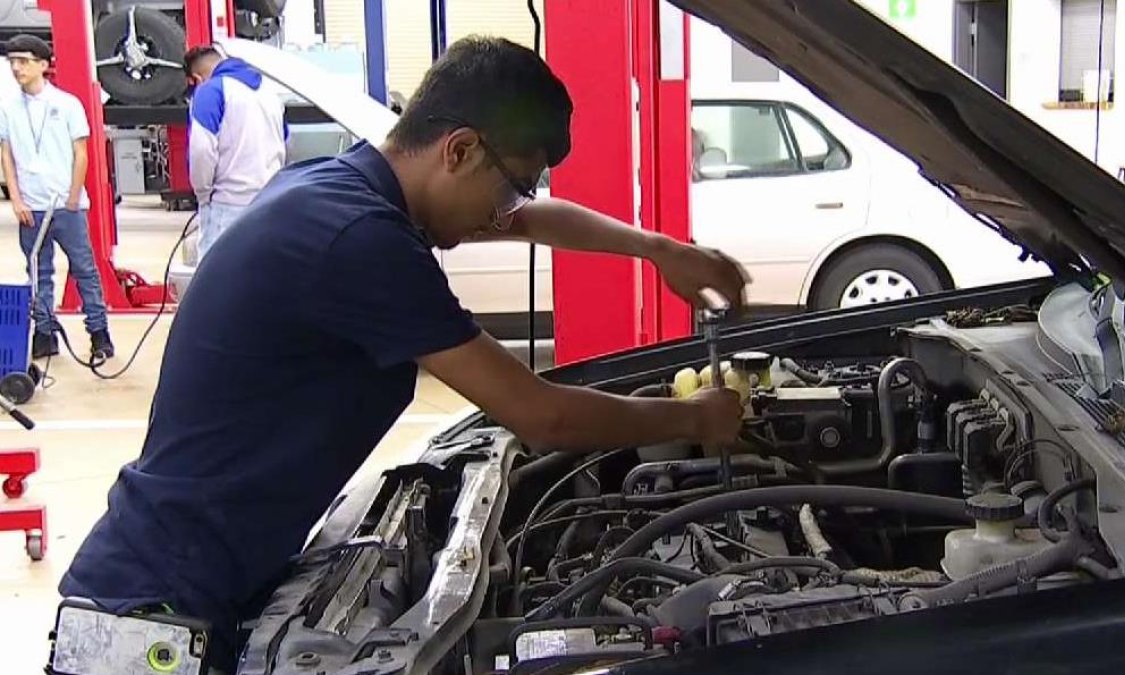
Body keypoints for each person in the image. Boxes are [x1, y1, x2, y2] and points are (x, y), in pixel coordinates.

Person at [59, 36, 748, 673]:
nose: (510, 208)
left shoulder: (339, 190)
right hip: (155, 617)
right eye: (512, 183)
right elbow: (543, 418)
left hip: (193, 582)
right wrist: (693, 419)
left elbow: (532, 220)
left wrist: (662, 250)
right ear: (458, 149)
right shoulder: (360, 241)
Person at [0, 34, 113, 360]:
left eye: (23, 61)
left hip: (66, 205)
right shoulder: (8, 108)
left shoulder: (66, 104)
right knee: (38, 271)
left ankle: (98, 332)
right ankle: (44, 332)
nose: (17, 68)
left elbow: (81, 152)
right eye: (12, 62)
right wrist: (17, 200)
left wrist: (73, 196)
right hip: (30, 207)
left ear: (43, 65)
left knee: (84, 269)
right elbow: (6, 155)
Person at [184, 44, 288, 261]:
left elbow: (201, 150)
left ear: (197, 78)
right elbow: (286, 140)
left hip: (228, 206)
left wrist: (203, 195)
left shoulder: (210, 90)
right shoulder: (270, 92)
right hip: (271, 201)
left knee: (219, 284)